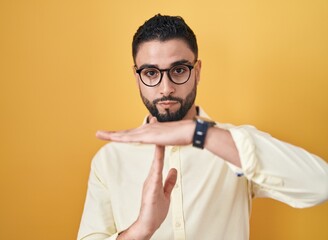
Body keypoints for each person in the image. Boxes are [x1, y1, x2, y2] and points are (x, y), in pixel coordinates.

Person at [77, 14, 328, 240]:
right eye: (151, 73)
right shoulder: (109, 161)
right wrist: (141, 229)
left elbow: (320, 185)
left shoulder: (234, 144)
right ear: (137, 77)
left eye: (178, 70)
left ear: (197, 71)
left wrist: (198, 133)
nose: (166, 88)